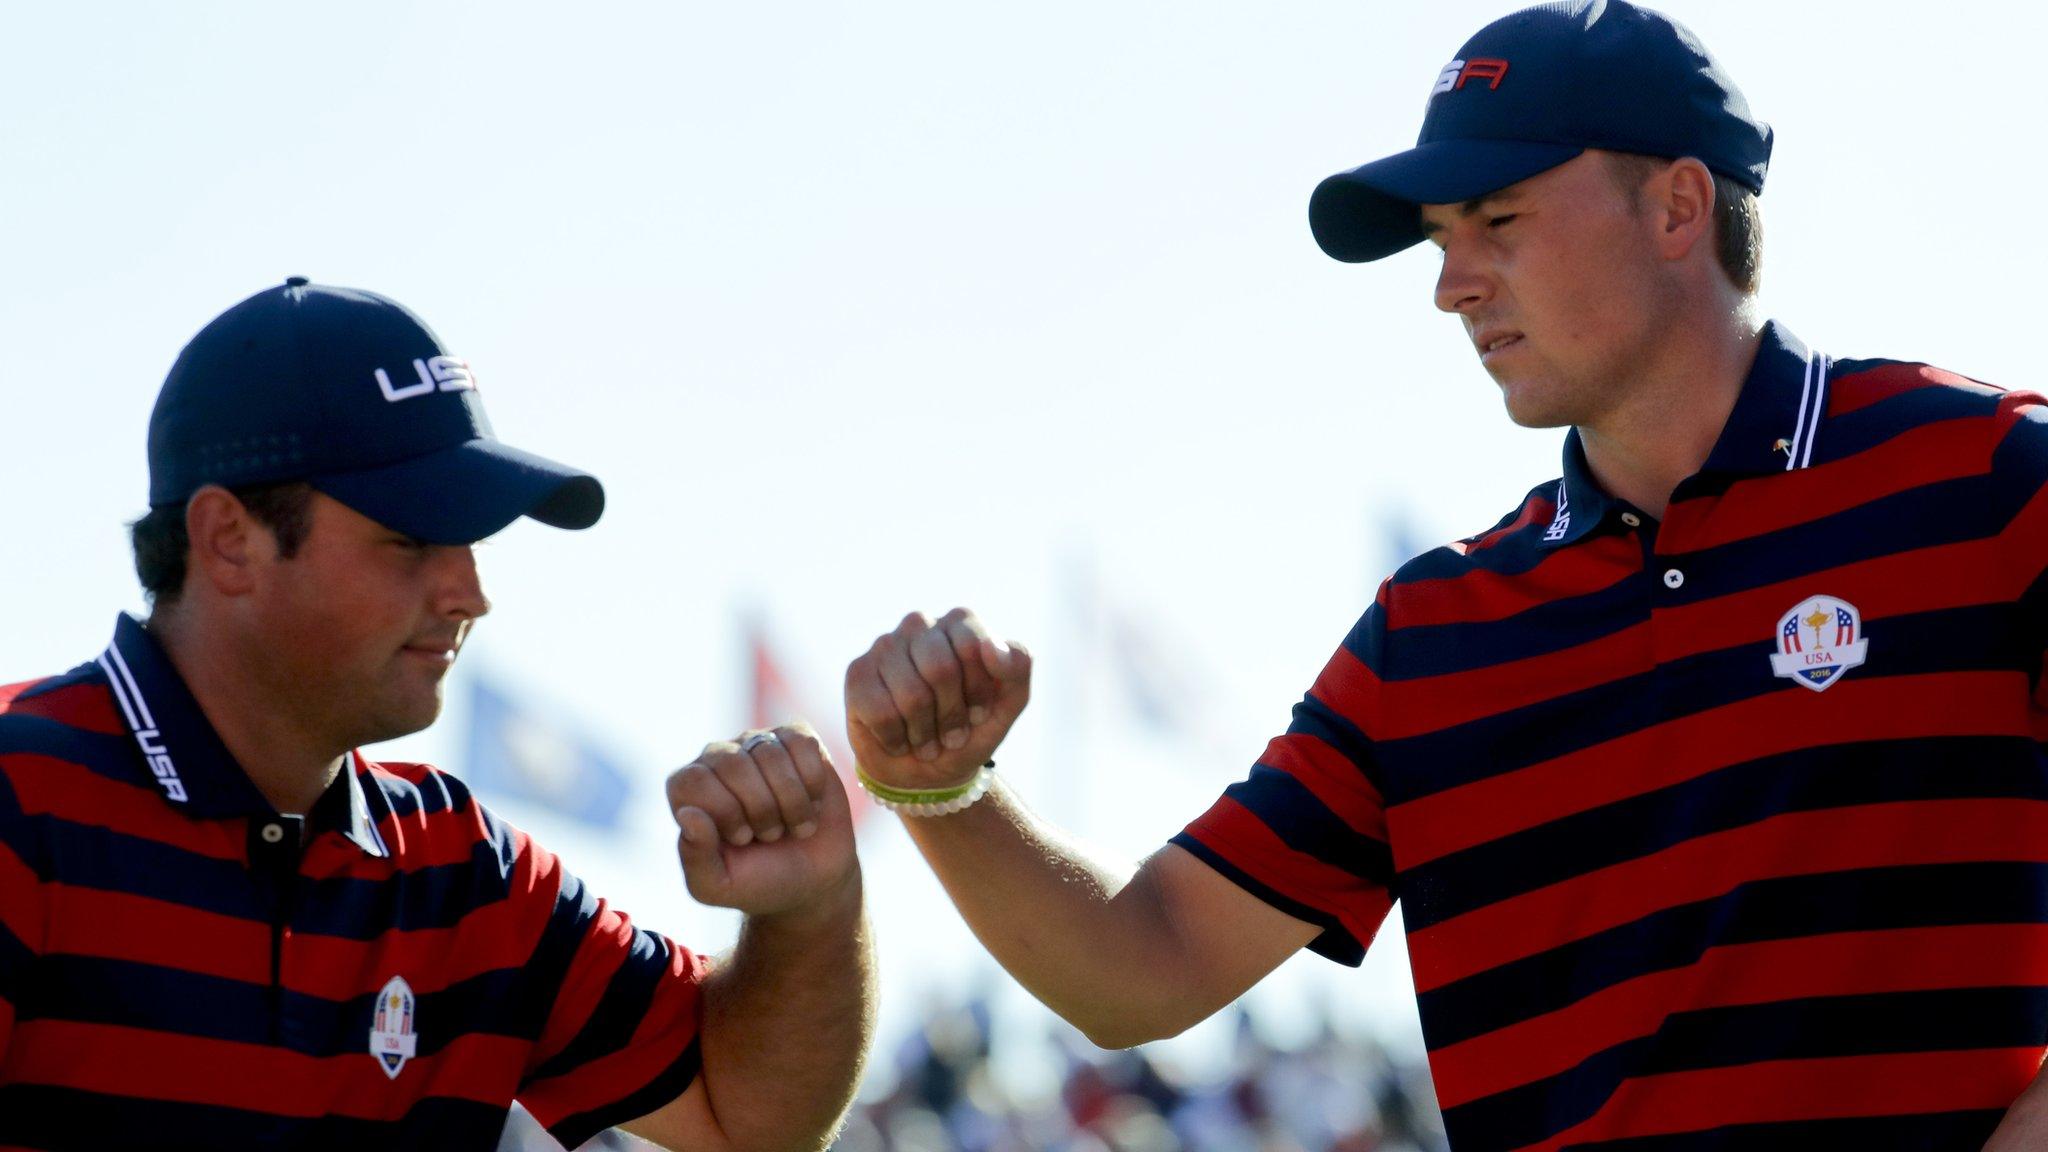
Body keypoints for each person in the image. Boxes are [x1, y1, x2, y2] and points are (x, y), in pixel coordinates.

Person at [841, 4, 2048, 1150]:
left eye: (1497, 220)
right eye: (1438, 240)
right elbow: (1141, 968)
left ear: (1677, 205)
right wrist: (938, 792)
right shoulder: (1428, 633)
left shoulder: (1993, 477)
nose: (1448, 284)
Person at [0, 279, 873, 1151]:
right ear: (230, 539)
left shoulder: (462, 862)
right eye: (411, 535)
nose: (471, 594)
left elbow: (749, 1119)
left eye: (474, 541)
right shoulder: (17, 793)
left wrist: (810, 912)